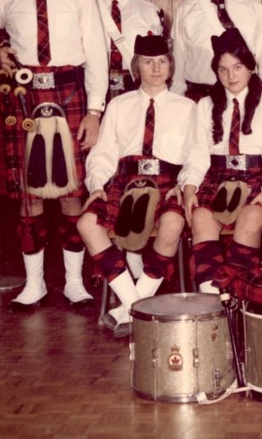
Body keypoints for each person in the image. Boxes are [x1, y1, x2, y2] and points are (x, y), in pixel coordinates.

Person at [0, 0, 107, 311]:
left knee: (72, 195)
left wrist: (95, 110)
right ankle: (33, 284)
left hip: (69, 92)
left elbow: (98, 54)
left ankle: (73, 283)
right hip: (23, 99)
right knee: (28, 197)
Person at [76, 35, 196, 337]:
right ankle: (137, 305)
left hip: (167, 183)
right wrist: (96, 185)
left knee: (171, 224)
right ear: (136, 66)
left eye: (162, 61)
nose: (155, 68)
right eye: (147, 62)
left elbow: (196, 154)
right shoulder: (119, 104)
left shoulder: (188, 107)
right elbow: (102, 152)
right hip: (125, 183)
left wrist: (183, 184)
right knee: (88, 224)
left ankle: (128, 308)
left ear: (170, 65)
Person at [181, 28, 262, 293]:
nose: (230, 76)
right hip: (216, 177)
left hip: (254, 177)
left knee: (252, 217)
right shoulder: (205, 105)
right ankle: (210, 296)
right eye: (223, 70)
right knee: (201, 218)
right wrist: (189, 186)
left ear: (251, 68)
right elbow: (196, 153)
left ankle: (238, 289)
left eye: (237, 67)